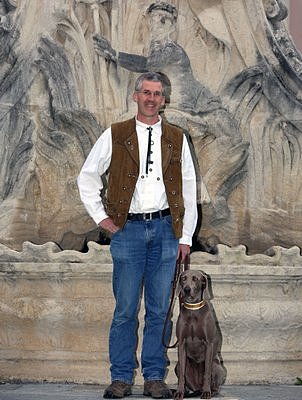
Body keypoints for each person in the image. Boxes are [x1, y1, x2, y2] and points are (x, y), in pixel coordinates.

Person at [77, 71, 197, 398]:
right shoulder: (115, 134)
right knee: (126, 309)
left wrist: (185, 237)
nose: (151, 98)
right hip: (127, 230)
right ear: (136, 96)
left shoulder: (177, 137)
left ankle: (155, 377)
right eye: (146, 92)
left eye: (157, 93)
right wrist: (103, 219)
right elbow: (86, 177)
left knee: (160, 310)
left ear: (163, 99)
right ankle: (121, 377)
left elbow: (188, 189)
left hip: (164, 231)